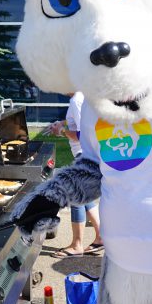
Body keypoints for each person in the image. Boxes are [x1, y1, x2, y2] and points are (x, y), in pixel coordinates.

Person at [48, 92, 103, 258]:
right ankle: (101, 238)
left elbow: (81, 134)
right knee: (86, 199)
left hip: (84, 154)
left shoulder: (76, 100)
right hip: (88, 154)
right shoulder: (81, 97)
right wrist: (63, 123)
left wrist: (62, 130)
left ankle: (77, 245)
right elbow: (81, 120)